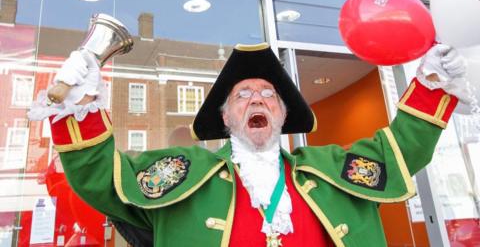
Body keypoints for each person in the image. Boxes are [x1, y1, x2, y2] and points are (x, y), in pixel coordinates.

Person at [29, 42, 467, 247]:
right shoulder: (183, 175)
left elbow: (401, 151)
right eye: (243, 94)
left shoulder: (330, 169)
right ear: (225, 118)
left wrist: (431, 86)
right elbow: (101, 179)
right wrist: (78, 106)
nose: (257, 97)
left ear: (281, 115)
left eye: (268, 94)